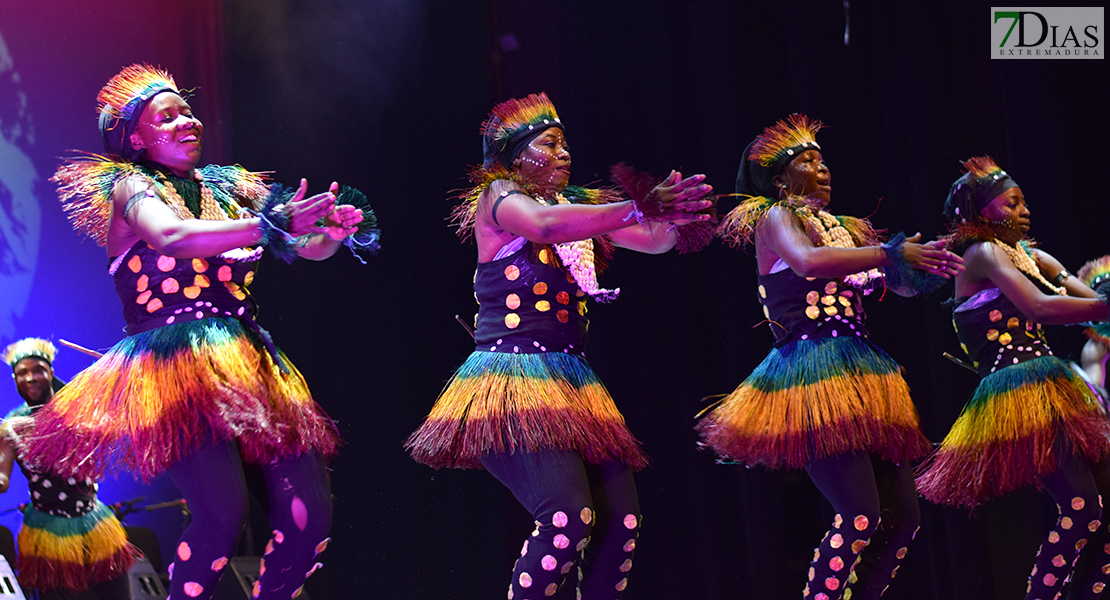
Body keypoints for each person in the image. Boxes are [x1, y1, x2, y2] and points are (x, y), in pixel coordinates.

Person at [18, 64, 377, 600]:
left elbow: (302, 247)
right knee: (221, 516)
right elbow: (172, 236)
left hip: (249, 360)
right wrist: (274, 224)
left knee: (310, 519)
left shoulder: (227, 188)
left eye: (187, 110)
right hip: (171, 366)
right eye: (168, 116)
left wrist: (329, 232)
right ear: (136, 137)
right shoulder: (129, 187)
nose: (187, 120)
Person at [405, 92, 713, 600]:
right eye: (551, 143)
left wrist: (673, 217)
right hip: (512, 378)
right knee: (569, 517)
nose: (566, 152)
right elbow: (543, 227)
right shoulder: (500, 197)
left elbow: (653, 240)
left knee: (623, 523)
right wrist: (636, 206)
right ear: (517, 155)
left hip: (572, 381)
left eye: (566, 142)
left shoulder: (573, 207)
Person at [697, 114, 962, 600]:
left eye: (824, 161)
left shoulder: (843, 228)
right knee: (861, 514)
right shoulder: (776, 217)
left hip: (862, 371)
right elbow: (808, 262)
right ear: (780, 178)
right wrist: (891, 252)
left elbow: (893, 285)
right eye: (808, 161)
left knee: (903, 519)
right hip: (811, 372)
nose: (823, 169)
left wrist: (927, 264)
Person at [915, 157, 1110, 600]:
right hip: (1017, 389)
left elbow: (1093, 307)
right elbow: (1041, 308)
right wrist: (1104, 308)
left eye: (1025, 202)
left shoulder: (1034, 255)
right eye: (1012, 202)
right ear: (984, 214)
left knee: (1103, 511)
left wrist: (1103, 302)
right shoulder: (982, 254)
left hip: (1053, 387)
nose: (1025, 210)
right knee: (1082, 509)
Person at [0, 338, 135, 600]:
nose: (30, 378)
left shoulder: (79, 412)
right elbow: (2, 478)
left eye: (37, 369)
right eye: (21, 373)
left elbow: (111, 425)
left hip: (96, 526)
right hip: (48, 534)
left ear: (50, 371)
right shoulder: (12, 427)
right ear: (15, 380)